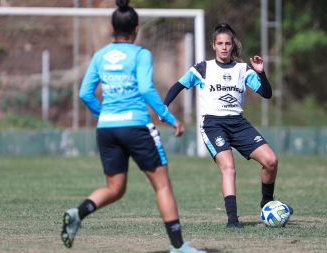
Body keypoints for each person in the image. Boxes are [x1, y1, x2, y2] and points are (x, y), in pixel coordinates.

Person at [60, 1, 207, 252]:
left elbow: (85, 93)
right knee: (162, 185)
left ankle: (78, 213)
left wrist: (104, 113)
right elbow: (146, 89)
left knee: (115, 188)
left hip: (107, 129)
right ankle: (179, 246)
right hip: (136, 126)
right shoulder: (140, 55)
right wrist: (170, 119)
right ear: (136, 29)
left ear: (112, 28)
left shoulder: (100, 56)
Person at [164, 23, 293, 229]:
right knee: (229, 168)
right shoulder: (202, 68)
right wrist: (164, 108)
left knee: (271, 161)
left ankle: (266, 203)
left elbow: (266, 93)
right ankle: (232, 219)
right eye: (220, 43)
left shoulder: (243, 69)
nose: (224, 47)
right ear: (213, 45)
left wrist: (261, 73)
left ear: (233, 46)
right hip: (213, 125)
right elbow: (178, 85)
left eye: (228, 43)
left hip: (239, 123)